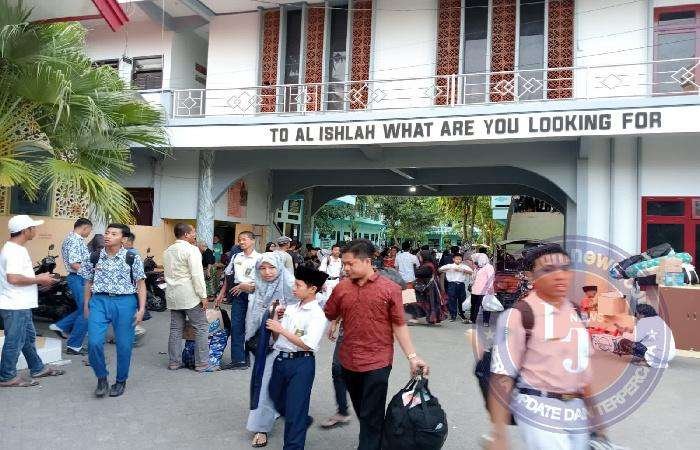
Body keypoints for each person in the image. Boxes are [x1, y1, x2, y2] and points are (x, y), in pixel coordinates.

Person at [488, 243, 604, 450]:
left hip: (575, 409)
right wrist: (499, 434)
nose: (560, 276)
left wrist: (597, 421)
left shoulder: (576, 313)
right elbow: (501, 376)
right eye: (548, 270)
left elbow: (583, 374)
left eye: (565, 269)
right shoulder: (518, 316)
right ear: (531, 276)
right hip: (537, 405)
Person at [324, 239, 429, 450]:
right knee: (363, 411)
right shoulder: (342, 288)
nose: (346, 268)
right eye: (344, 264)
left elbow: (399, 324)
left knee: (371, 414)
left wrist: (412, 357)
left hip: (378, 362)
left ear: (367, 261)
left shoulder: (390, 289)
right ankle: (377, 440)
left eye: (350, 264)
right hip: (348, 360)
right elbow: (330, 312)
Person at [80, 223, 147, 398]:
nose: (108, 236)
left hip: (125, 302)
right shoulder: (94, 256)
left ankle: (120, 381)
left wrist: (141, 309)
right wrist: (86, 304)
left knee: (124, 345)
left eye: (114, 234)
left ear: (123, 239)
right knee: (94, 342)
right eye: (107, 233)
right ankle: (101, 378)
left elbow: (141, 284)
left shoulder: (132, 257)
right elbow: (88, 281)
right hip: (99, 301)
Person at [267, 265, 329, 450]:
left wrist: (281, 329)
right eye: (294, 284)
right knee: (275, 397)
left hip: (302, 363)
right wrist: (276, 319)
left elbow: (308, 345)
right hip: (281, 360)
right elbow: (277, 338)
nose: (293, 288)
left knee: (295, 409)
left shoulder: (317, 315)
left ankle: (293, 444)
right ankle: (302, 419)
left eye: (298, 285)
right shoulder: (291, 308)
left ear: (312, 289)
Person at [0, 215, 65, 388]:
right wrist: (39, 279)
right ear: (25, 230)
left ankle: (37, 368)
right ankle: (6, 376)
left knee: (28, 338)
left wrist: (39, 279)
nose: (35, 230)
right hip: (15, 304)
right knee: (15, 341)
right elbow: (13, 278)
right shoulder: (14, 251)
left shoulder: (15, 248)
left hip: (21, 303)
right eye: (33, 228)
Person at [246, 252, 296, 448]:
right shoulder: (259, 285)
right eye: (263, 268)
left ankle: (267, 420)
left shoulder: (290, 284)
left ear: (280, 267)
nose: (267, 272)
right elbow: (254, 313)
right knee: (264, 381)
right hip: (262, 342)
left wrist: (281, 314)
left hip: (286, 342)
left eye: (272, 267)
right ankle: (263, 424)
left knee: (271, 382)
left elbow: (305, 306)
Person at [163, 223, 212, 372]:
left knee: (175, 329)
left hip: (173, 295)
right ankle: (202, 363)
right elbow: (197, 275)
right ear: (186, 234)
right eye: (193, 232)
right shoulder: (192, 250)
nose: (195, 234)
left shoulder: (168, 251)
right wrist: (203, 296)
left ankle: (174, 362)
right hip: (190, 296)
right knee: (201, 327)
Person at [217, 231, 260, 370]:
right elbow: (228, 275)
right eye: (239, 239)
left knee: (252, 327)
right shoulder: (236, 256)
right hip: (238, 294)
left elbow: (265, 280)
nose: (241, 242)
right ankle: (238, 360)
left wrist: (246, 286)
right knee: (236, 326)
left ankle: (249, 357)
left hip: (254, 294)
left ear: (253, 241)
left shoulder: (260, 258)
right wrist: (222, 293)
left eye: (244, 239)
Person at [50, 218, 93, 354]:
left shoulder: (72, 239)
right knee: (87, 310)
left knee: (85, 309)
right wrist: (92, 271)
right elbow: (74, 264)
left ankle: (61, 326)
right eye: (90, 230)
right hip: (78, 278)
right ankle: (73, 345)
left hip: (79, 278)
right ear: (85, 227)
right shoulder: (74, 240)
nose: (89, 233)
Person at [405, 252, 447, 325]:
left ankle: (430, 318)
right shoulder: (429, 264)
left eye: (420, 256)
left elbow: (418, 274)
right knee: (430, 303)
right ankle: (430, 318)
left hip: (428, 287)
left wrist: (414, 267)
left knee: (427, 302)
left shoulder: (427, 266)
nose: (419, 258)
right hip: (429, 286)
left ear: (424, 257)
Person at [439, 252, 473, 322]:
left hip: (461, 284)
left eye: (460, 259)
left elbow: (471, 272)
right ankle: (453, 314)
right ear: (453, 259)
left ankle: (461, 313)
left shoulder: (464, 266)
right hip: (452, 284)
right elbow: (439, 270)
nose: (458, 260)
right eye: (457, 259)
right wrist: (448, 269)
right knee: (452, 299)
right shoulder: (449, 265)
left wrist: (462, 270)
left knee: (462, 299)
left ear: (462, 260)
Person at [470, 252, 495, 324]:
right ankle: (472, 319)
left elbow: (491, 278)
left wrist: (490, 288)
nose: (474, 261)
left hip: (485, 291)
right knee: (474, 305)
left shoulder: (489, 267)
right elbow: (473, 278)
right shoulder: (477, 267)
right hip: (475, 290)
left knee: (485, 306)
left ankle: (486, 321)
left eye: (476, 260)